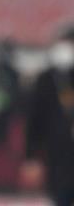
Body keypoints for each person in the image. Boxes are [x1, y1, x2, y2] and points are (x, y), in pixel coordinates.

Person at [22, 26, 74, 206]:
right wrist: (31, 156)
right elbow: (34, 121)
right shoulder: (46, 79)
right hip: (58, 154)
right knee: (61, 196)